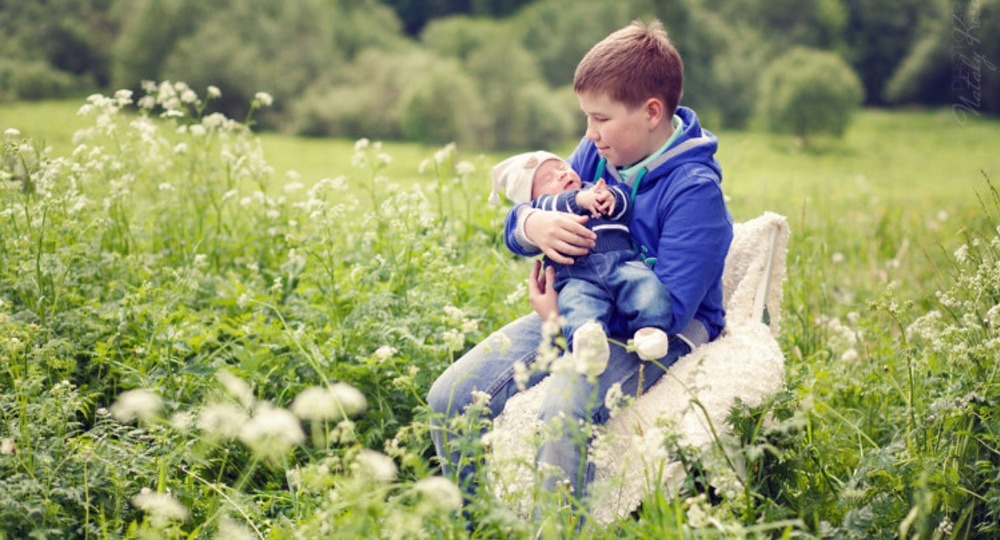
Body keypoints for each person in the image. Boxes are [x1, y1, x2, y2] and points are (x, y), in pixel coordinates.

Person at [427, 18, 733, 513]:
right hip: (580, 310)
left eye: (600, 118)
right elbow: (526, 214)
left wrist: (561, 320)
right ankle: (476, 525)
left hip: (657, 331)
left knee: (565, 405)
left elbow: (671, 310)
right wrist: (533, 225)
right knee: (452, 395)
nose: (589, 133)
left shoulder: (694, 190)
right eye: (587, 118)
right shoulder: (597, 152)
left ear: (651, 112)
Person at [488, 150, 672, 366]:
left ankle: (650, 330)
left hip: (621, 263)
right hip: (576, 277)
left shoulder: (593, 188)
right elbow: (540, 210)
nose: (561, 174)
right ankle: (589, 347)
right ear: (532, 199)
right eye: (548, 179)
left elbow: (625, 204)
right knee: (576, 305)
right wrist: (577, 199)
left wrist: (613, 198)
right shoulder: (543, 208)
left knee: (645, 285)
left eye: (563, 167)